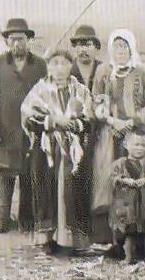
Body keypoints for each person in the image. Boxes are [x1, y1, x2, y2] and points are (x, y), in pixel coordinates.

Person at [89, 29, 145, 249]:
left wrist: (131, 122)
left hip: (136, 134)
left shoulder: (143, 71)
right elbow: (96, 102)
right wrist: (110, 121)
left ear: (131, 48)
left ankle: (142, 237)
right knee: (107, 180)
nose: (120, 51)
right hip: (109, 133)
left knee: (139, 179)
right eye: (116, 47)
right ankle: (109, 238)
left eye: (124, 46)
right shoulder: (103, 71)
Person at [21, 49, 94, 255]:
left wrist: (73, 124)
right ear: (49, 67)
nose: (59, 69)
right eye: (55, 64)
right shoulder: (39, 90)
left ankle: (72, 241)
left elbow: (89, 120)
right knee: (46, 189)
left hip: (73, 150)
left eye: (64, 63)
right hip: (47, 150)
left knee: (73, 190)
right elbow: (28, 117)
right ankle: (46, 238)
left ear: (71, 66)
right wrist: (52, 121)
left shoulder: (80, 91)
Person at [0, 18, 47, 235]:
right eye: (13, 40)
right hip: (5, 129)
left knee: (29, 175)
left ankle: (26, 222)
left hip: (31, 129)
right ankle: (1, 220)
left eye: (21, 39)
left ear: (28, 40)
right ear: (7, 42)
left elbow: (46, 96)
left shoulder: (39, 65)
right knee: (5, 176)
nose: (17, 44)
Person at [109, 129, 145, 264]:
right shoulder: (120, 163)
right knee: (129, 233)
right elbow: (112, 178)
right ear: (126, 145)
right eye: (136, 144)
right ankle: (128, 257)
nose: (140, 148)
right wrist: (126, 181)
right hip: (128, 206)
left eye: (143, 145)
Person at [70, 24, 101, 89]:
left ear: (96, 47)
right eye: (80, 45)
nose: (84, 49)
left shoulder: (104, 70)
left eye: (88, 45)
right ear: (74, 47)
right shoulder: (67, 70)